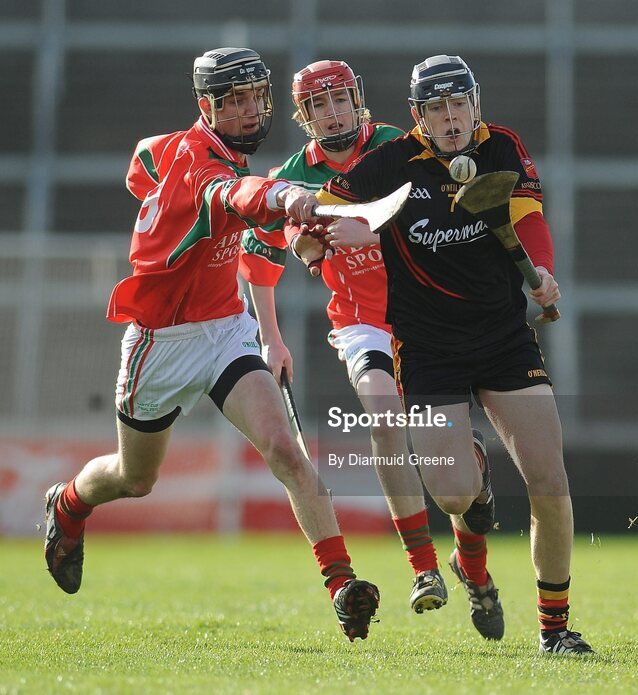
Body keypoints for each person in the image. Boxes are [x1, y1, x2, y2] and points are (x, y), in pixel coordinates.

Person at [42, 47, 380, 643]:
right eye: (236, 101)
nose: (252, 111)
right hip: (161, 343)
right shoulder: (205, 167)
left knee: (286, 450)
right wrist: (287, 199)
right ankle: (68, 504)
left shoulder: (177, 147)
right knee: (134, 478)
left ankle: (342, 584)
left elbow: (140, 161)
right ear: (207, 106)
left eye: (257, 97)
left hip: (225, 330)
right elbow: (239, 195)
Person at [292, 55, 594, 654]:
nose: (451, 117)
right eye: (437, 108)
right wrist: (326, 233)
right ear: (417, 117)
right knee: (454, 496)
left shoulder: (502, 146)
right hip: (429, 349)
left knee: (551, 484)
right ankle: (472, 488)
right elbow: (315, 218)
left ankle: (555, 628)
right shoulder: (389, 163)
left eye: (459, 104)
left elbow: (527, 217)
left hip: (505, 339)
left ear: (475, 104)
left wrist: (543, 274)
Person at [239, 60, 497, 628]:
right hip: (360, 319)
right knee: (383, 415)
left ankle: (472, 566)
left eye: (341, 100)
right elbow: (259, 260)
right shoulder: (291, 178)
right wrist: (272, 341)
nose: (334, 113)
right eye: (320, 105)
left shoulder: (399, 149)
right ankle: (424, 568)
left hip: (424, 317)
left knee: (450, 472)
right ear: (304, 116)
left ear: (360, 101)